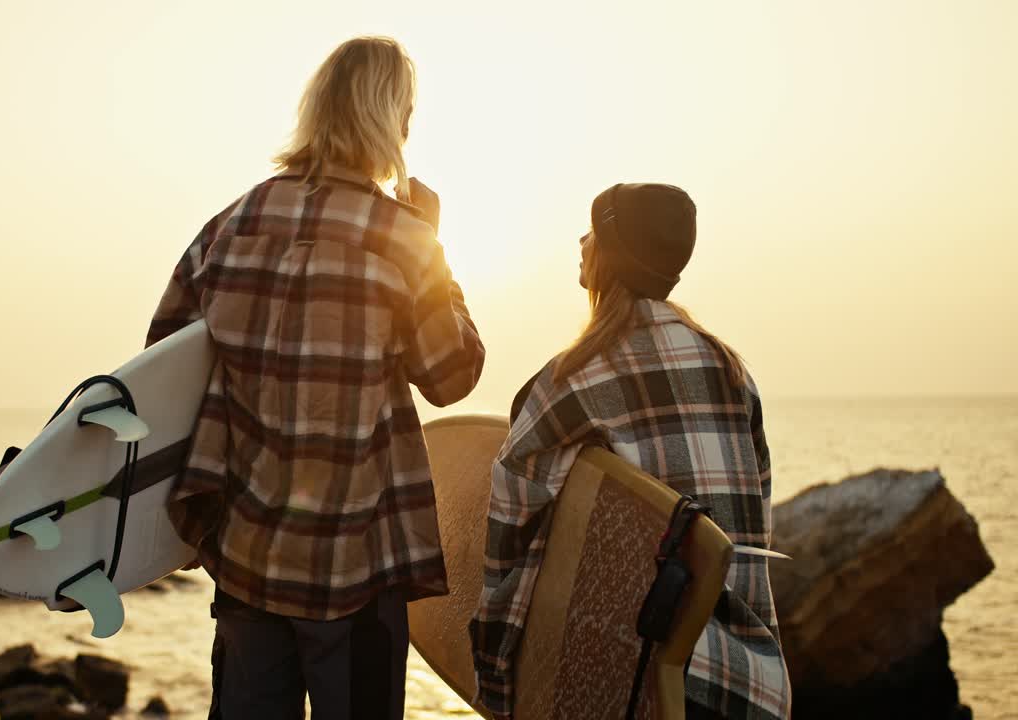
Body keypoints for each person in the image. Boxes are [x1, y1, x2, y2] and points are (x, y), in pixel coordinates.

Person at [144, 36, 486, 720]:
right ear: (395, 120)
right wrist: (434, 247)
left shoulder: (230, 224)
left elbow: (163, 362)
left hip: (245, 561)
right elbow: (452, 375)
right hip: (353, 569)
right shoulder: (401, 237)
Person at [470, 183, 790, 720]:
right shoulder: (735, 374)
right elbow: (751, 530)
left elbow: (508, 532)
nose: (581, 239)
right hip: (750, 685)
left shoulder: (568, 383)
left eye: (593, 231)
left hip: (632, 687)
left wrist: (496, 671)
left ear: (609, 256)